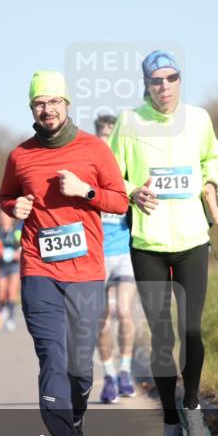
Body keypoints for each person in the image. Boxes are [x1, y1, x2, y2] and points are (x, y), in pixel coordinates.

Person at [0, 71, 127, 436]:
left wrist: (86, 191)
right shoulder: (20, 156)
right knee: (51, 356)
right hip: (38, 269)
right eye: (40, 103)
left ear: (67, 104)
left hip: (85, 272)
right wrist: (14, 207)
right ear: (31, 108)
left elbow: (121, 202)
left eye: (54, 101)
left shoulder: (94, 149)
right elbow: (6, 196)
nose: (47, 109)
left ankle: (76, 421)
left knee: (79, 367)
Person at [107, 50, 218, 436]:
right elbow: (111, 175)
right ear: (146, 85)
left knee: (191, 330)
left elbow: (212, 158)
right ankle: (171, 425)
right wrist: (131, 192)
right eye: (156, 80)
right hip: (148, 245)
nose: (165, 86)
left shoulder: (199, 119)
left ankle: (192, 406)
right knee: (162, 337)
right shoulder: (128, 122)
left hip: (192, 239)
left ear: (179, 80)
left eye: (171, 78)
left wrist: (210, 186)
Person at [93, 114, 137, 403]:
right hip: (97, 256)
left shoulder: (128, 174)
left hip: (123, 253)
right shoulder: (88, 173)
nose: (107, 146)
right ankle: (108, 375)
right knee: (102, 318)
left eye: (111, 139)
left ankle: (125, 371)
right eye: (102, 139)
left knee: (123, 311)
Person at [0, 211, 22, 332]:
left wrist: (18, 253)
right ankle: (3, 308)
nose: (4, 218)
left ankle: (10, 318)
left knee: (11, 291)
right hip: (2, 265)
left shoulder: (16, 231)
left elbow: (21, 245)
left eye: (6, 216)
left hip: (14, 265)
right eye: (2, 216)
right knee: (1, 291)